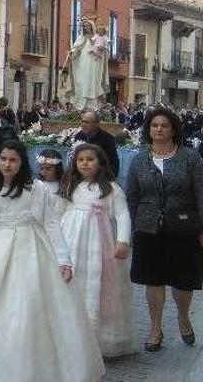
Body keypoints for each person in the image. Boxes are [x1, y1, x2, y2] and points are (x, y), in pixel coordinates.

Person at [0, 140, 105, 381]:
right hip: (2, 249)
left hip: (33, 247)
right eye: (3, 159)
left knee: (32, 300)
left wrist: (63, 259)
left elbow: (50, 223)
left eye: (13, 160)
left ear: (22, 163)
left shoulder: (34, 188)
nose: (7, 164)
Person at [125, 107, 203, 352]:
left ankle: (183, 317)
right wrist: (130, 229)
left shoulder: (190, 157)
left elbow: (201, 192)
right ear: (148, 130)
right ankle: (155, 329)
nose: (158, 129)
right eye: (154, 125)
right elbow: (132, 196)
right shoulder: (140, 159)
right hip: (148, 227)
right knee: (154, 279)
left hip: (183, 225)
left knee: (182, 280)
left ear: (173, 130)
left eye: (164, 126)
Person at [59, 144, 136, 357]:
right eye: (81, 159)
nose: (84, 163)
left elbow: (122, 215)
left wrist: (122, 241)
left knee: (98, 286)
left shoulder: (111, 189)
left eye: (90, 159)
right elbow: (59, 213)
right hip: (71, 244)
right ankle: (71, 338)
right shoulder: (69, 186)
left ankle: (99, 340)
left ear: (100, 163)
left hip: (99, 247)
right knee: (74, 285)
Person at [62, 16, 108, 110]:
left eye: (88, 26)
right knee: (80, 82)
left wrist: (99, 49)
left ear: (92, 26)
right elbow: (75, 50)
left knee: (92, 83)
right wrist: (71, 53)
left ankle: (92, 107)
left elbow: (104, 50)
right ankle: (79, 106)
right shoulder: (80, 38)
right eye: (85, 26)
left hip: (93, 64)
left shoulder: (97, 38)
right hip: (82, 64)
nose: (86, 28)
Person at [75, 110, 120, 176]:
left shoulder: (107, 139)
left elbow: (114, 163)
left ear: (96, 124)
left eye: (87, 122)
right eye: (82, 121)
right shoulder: (78, 136)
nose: (83, 125)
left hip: (101, 178)